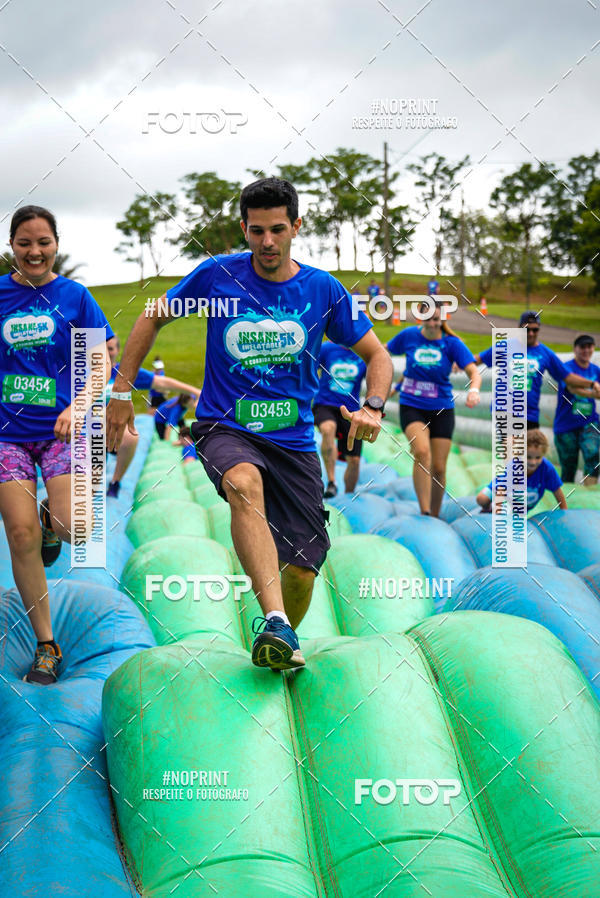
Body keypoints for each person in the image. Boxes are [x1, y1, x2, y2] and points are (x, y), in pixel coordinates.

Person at [107, 177, 392, 671]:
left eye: (277, 229)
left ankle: (282, 641)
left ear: (296, 227)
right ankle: (275, 620)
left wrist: (373, 406)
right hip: (225, 426)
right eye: (256, 230)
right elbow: (151, 317)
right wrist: (119, 390)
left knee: (303, 571)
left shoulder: (322, 289)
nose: (266, 242)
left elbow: (378, 355)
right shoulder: (217, 276)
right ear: (243, 228)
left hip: (294, 441)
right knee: (243, 483)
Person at [0, 205, 113, 684]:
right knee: (19, 536)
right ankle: (46, 644)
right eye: (24, 242)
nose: (34, 251)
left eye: (43, 242)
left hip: (63, 431)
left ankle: (51, 517)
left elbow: (101, 361)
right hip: (7, 436)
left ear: (56, 244)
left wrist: (80, 405)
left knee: (78, 529)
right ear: (12, 247)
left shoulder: (75, 297)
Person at [387, 301, 481, 516]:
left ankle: (436, 514)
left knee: (439, 467)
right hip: (412, 405)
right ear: (421, 318)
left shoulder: (452, 344)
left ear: (442, 321)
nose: (432, 323)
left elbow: (474, 372)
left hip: (442, 409)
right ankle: (425, 511)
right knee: (421, 452)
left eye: (436, 319)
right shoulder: (409, 336)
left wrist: (474, 390)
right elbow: (382, 352)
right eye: (428, 318)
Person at [105, 336, 200, 497]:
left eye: (110, 348)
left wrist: (197, 392)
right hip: (89, 431)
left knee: (131, 437)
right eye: (102, 349)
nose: (106, 353)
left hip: (113, 431)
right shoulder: (82, 371)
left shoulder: (124, 372)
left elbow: (161, 382)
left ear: (118, 351)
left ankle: (115, 481)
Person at [475, 312, 600, 429]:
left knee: (532, 451)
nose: (531, 333)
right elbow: (477, 360)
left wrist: (591, 384)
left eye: (535, 329)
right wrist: (459, 362)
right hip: (505, 409)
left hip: (530, 413)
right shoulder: (505, 346)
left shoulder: (545, 353)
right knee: (511, 447)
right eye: (527, 329)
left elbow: (567, 377)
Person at [313, 340, 367, 497]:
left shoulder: (364, 353)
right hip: (325, 404)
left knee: (354, 460)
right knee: (327, 429)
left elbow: (375, 377)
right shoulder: (327, 348)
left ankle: (349, 497)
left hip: (351, 410)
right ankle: (331, 482)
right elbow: (309, 369)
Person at [477, 429, 567, 513]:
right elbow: (501, 489)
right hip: (504, 492)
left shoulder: (547, 469)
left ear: (543, 454)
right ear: (521, 453)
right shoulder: (513, 467)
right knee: (481, 499)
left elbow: (557, 491)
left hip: (523, 501)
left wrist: (564, 512)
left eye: (538, 457)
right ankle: (488, 508)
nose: (533, 462)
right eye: (528, 457)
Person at [553, 334, 600, 485]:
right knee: (568, 468)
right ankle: (568, 503)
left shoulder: (595, 370)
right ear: (575, 349)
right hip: (566, 425)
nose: (586, 350)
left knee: (593, 455)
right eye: (582, 347)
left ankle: (588, 496)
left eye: (589, 347)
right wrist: (592, 390)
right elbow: (573, 388)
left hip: (589, 422)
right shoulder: (566, 368)